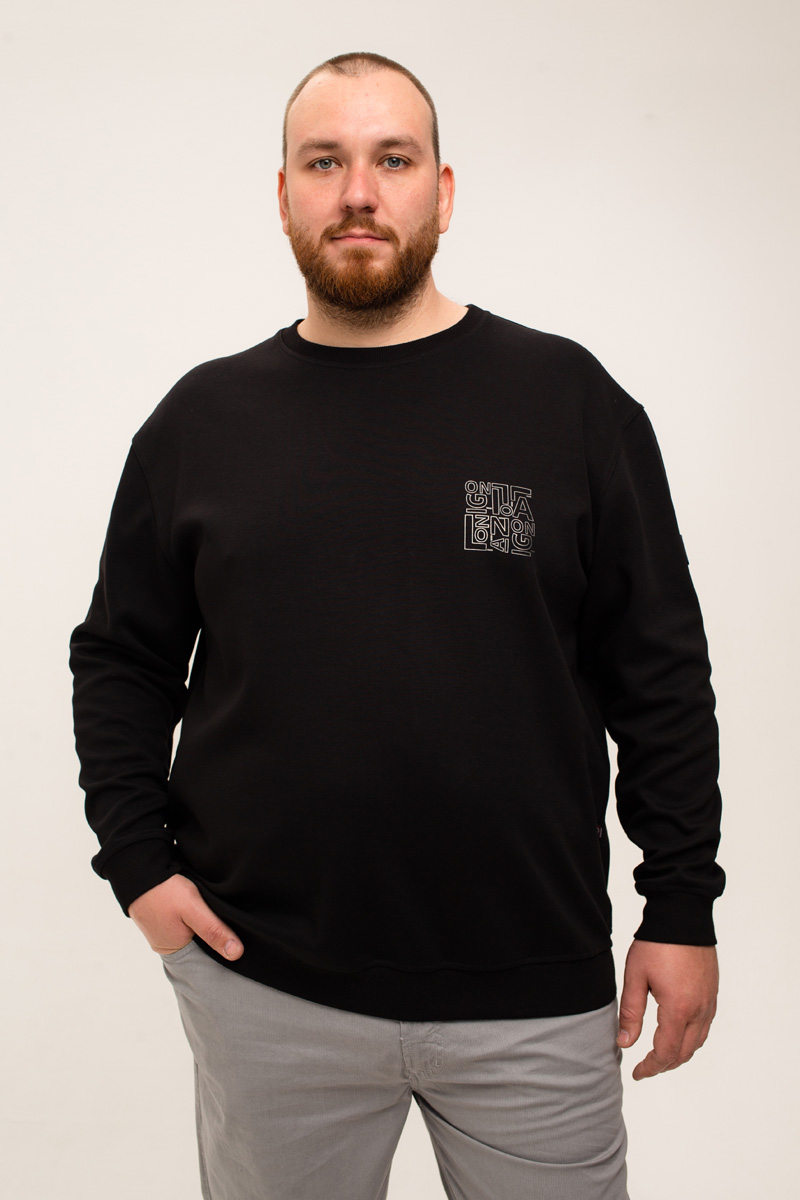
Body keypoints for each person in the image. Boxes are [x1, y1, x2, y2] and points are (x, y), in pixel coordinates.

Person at [70, 51, 724, 1200]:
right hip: (264, 982)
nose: (359, 193)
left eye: (392, 159)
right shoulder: (201, 422)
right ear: (284, 194)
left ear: (443, 190)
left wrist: (678, 905)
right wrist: (137, 868)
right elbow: (123, 659)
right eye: (324, 162)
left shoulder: (567, 402)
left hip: (532, 988)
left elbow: (658, 672)